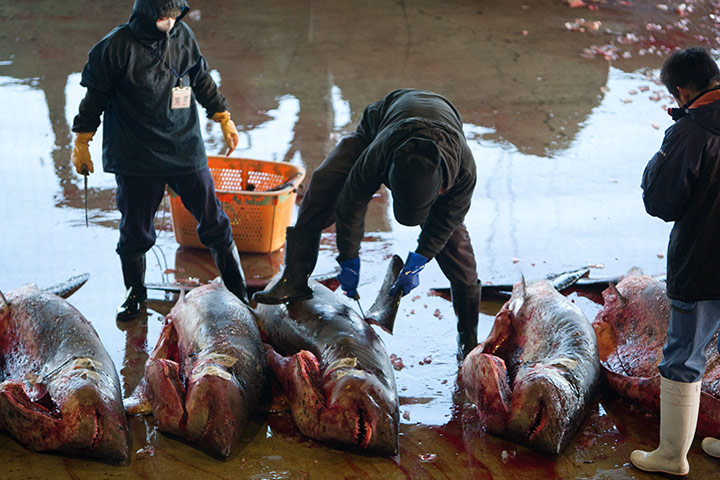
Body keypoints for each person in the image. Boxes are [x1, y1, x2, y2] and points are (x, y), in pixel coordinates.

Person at [253, 88, 481, 357]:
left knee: (457, 251)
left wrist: (421, 257)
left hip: (440, 121)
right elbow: (351, 203)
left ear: (441, 189)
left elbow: (444, 222)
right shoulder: (378, 155)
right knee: (324, 185)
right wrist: (348, 256)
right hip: (379, 125)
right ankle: (294, 277)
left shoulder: (464, 171)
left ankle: (468, 335)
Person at [70, 0, 248, 321]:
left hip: (184, 146)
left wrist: (222, 115)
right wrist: (82, 140)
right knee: (135, 231)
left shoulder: (183, 36)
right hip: (136, 155)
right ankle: (135, 295)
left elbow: (201, 78)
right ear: (147, 15)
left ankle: (239, 292)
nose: (169, 21)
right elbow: (93, 99)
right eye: (162, 16)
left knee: (213, 220)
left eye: (174, 15)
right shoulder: (115, 47)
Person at [632, 46, 720, 476]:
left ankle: (671, 456)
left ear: (682, 90)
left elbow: (661, 201)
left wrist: (661, 154)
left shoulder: (691, 130)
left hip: (705, 262)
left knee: (684, 355)